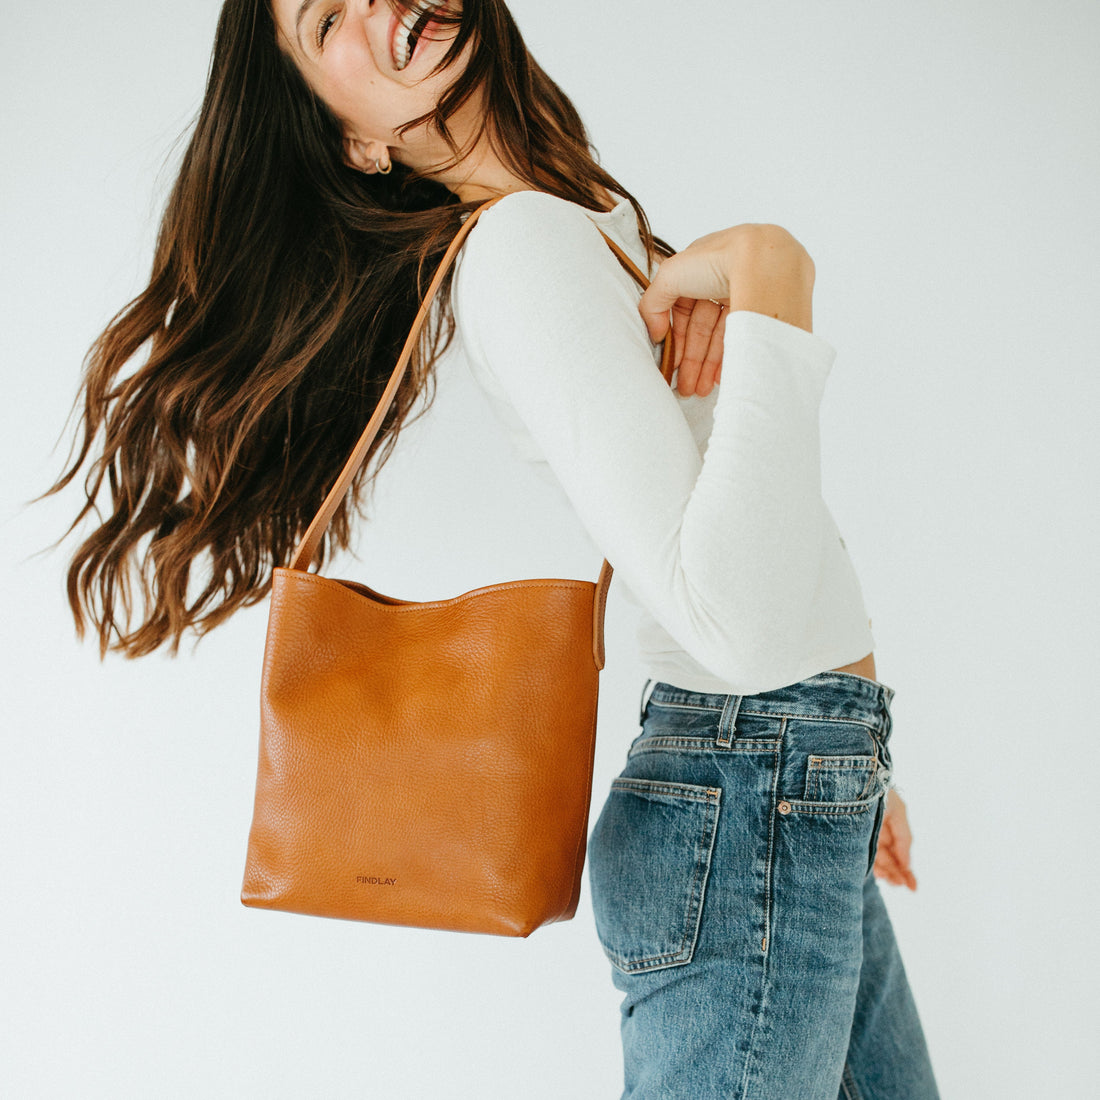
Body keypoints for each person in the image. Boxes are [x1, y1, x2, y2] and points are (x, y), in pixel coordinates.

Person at [43, 1, 939, 1096]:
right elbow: (730, 620)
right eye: (327, 22)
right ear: (356, 140)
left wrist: (848, 744)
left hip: (790, 780)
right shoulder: (520, 248)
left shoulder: (581, 216)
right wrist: (774, 274)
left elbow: (747, 533)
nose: (374, 6)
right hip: (749, 786)